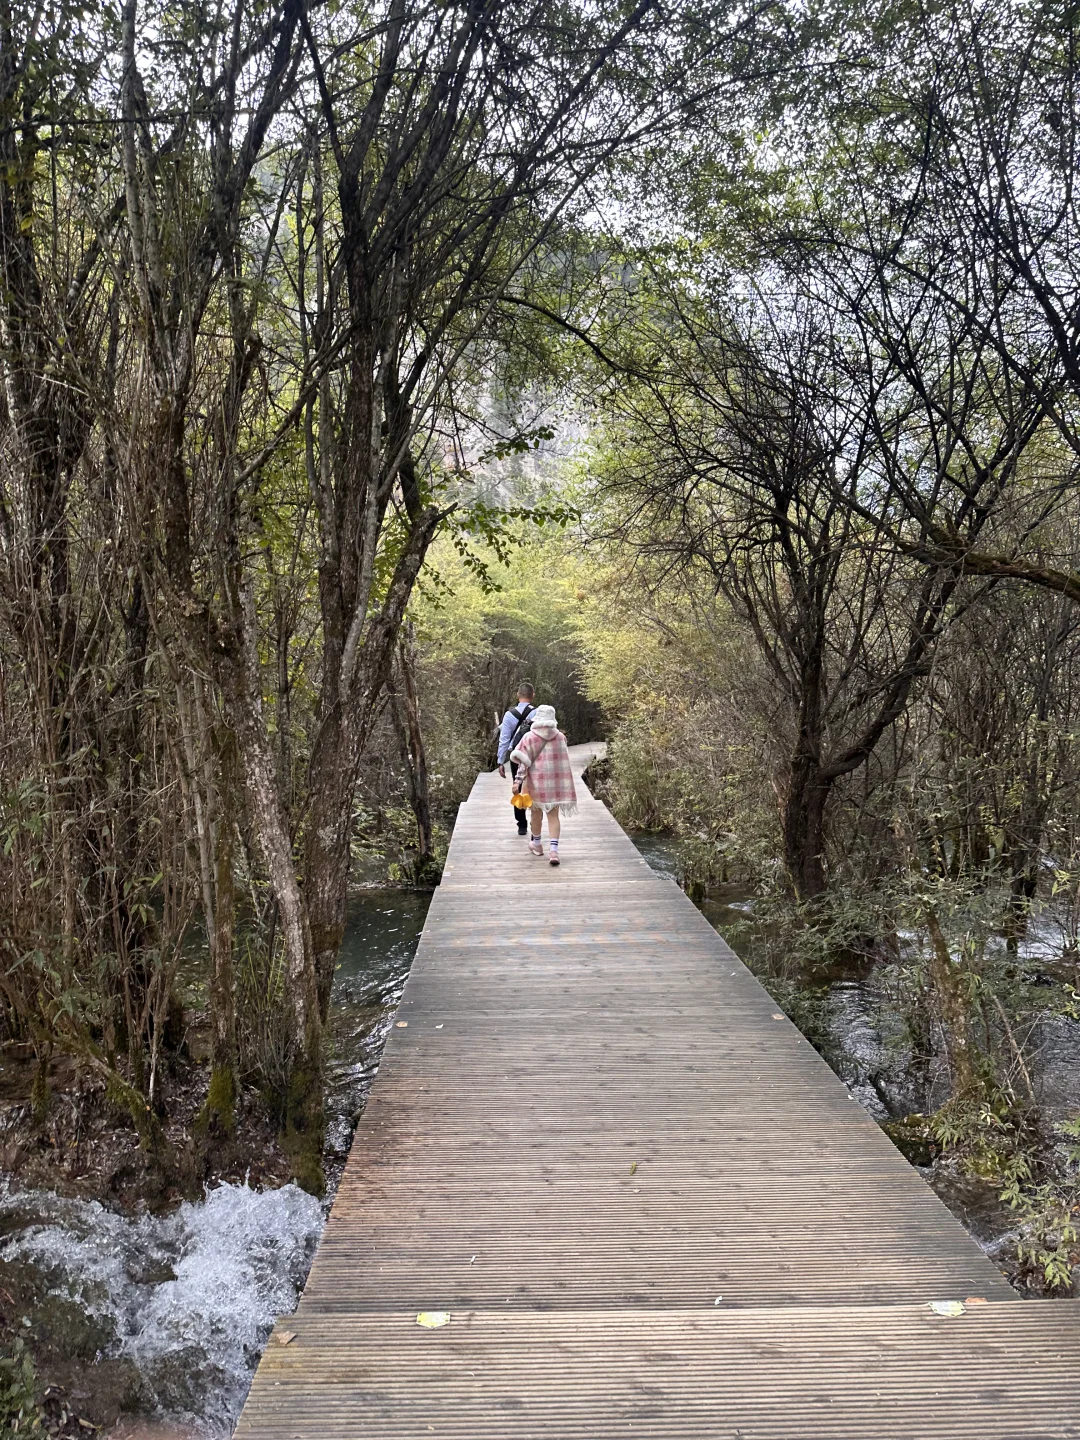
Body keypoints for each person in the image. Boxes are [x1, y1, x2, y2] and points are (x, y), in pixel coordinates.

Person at [509, 704, 577, 866]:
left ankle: (537, 845)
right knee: (553, 816)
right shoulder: (560, 737)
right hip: (555, 784)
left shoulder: (529, 737)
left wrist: (517, 782)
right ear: (552, 718)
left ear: (537, 718)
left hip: (536, 784)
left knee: (536, 815)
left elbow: (523, 764)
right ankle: (554, 850)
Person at [497, 682, 536, 835]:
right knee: (534, 787)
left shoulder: (509, 715)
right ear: (533, 695)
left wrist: (500, 761)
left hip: (515, 756)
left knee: (518, 786)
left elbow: (504, 739)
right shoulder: (537, 713)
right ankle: (535, 820)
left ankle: (522, 824)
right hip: (533, 755)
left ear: (517, 695)